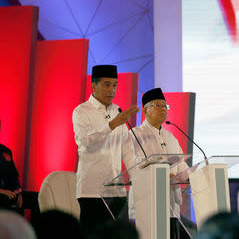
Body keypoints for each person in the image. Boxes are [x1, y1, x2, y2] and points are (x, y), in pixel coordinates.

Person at [72, 64, 139, 233]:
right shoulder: (81, 111)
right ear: (94, 85)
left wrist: (141, 177)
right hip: (92, 192)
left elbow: (127, 151)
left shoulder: (117, 110)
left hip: (117, 190)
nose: (112, 89)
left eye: (115, 85)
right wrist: (113, 124)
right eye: (107, 84)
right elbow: (86, 141)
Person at [130, 87, 190, 237]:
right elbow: (135, 165)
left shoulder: (170, 136)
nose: (163, 109)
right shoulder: (135, 135)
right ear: (145, 111)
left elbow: (181, 165)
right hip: (147, 203)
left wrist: (191, 176)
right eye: (158, 105)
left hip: (170, 204)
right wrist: (163, 174)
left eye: (165, 106)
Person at [0, 144, 23, 212]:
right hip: (3, 193)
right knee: (8, 199)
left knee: (37, 198)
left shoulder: (5, 151)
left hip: (9, 191)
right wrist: (2, 191)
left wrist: (18, 191)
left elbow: (14, 176)